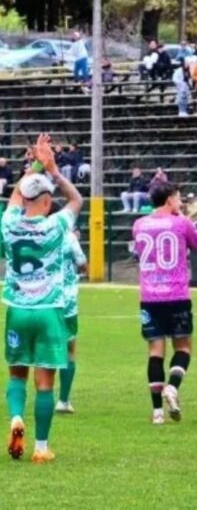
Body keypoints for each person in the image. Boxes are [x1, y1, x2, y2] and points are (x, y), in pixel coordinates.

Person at [2, 134, 83, 463]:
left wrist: (35, 165)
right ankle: (40, 448)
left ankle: (16, 417)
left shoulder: (8, 224)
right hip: (49, 311)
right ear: (48, 202)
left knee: (16, 374)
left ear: (25, 198)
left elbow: (15, 196)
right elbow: (76, 200)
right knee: (45, 381)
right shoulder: (55, 226)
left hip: (18, 310)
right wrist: (54, 170)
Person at [132, 181, 197, 425]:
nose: (180, 202)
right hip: (176, 295)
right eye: (178, 198)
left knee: (155, 352)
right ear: (169, 200)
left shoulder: (139, 224)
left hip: (149, 297)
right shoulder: (181, 223)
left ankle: (157, 412)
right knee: (183, 348)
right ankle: (172, 387)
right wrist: (184, 220)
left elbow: (139, 252)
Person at [56, 224, 87, 414]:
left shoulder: (33, 232)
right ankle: (63, 400)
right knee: (68, 349)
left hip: (40, 299)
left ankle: (41, 394)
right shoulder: (69, 237)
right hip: (66, 300)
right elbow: (82, 263)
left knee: (42, 348)